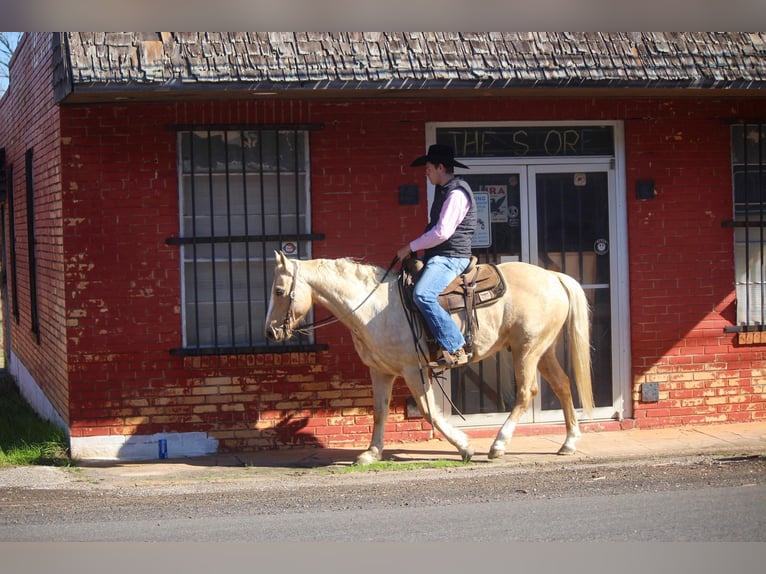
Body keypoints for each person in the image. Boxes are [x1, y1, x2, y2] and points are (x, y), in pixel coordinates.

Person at [397, 144, 477, 369]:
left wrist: (409, 247)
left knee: (422, 295)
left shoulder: (456, 193)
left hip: (451, 256)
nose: (426, 172)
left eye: (429, 168)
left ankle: (455, 346)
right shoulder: (444, 190)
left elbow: (442, 232)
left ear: (441, 167)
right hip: (440, 254)